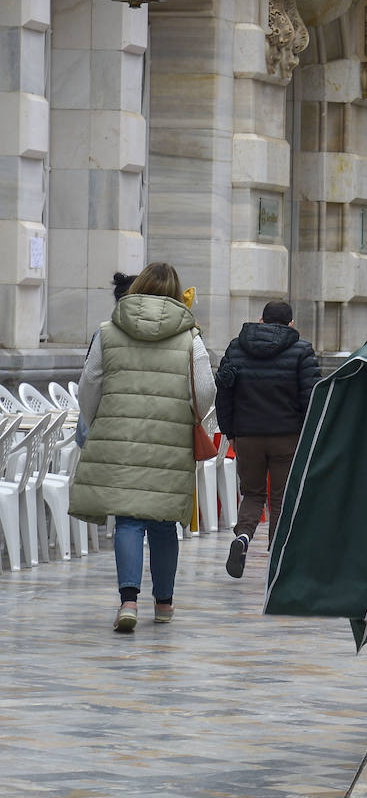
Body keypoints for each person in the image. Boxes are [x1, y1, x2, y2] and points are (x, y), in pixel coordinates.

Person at [71, 262, 215, 632]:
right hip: (170, 442)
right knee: (164, 522)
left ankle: (128, 601)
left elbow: (89, 384)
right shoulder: (190, 337)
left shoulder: (108, 332)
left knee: (129, 521)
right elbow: (204, 390)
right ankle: (164, 604)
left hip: (121, 441)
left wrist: (101, 420)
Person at [215, 301, 322, 578]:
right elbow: (311, 398)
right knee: (281, 498)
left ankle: (243, 538)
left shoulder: (236, 348)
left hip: (247, 435)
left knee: (252, 493)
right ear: (291, 324)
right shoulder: (302, 351)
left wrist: (230, 432)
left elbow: (224, 394)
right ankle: (278, 557)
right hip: (287, 437)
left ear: (261, 320)